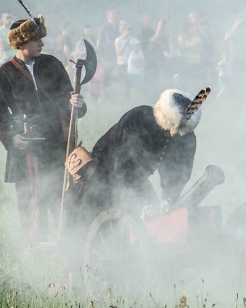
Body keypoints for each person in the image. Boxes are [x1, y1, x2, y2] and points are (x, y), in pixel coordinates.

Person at [0, 14, 86, 244]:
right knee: (32, 202)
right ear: (21, 42)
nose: (42, 44)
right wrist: (12, 139)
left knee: (62, 197)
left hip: (57, 143)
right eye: (36, 40)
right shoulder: (5, 73)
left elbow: (68, 97)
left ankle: (66, 245)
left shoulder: (52, 64)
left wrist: (77, 104)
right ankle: (35, 252)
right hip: (26, 149)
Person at [72, 89, 200, 226]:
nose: (174, 133)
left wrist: (165, 202)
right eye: (172, 125)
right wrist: (142, 204)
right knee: (85, 224)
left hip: (135, 179)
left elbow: (177, 175)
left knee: (158, 222)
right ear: (163, 117)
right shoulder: (139, 118)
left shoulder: (185, 137)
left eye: (179, 129)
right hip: (101, 175)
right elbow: (122, 165)